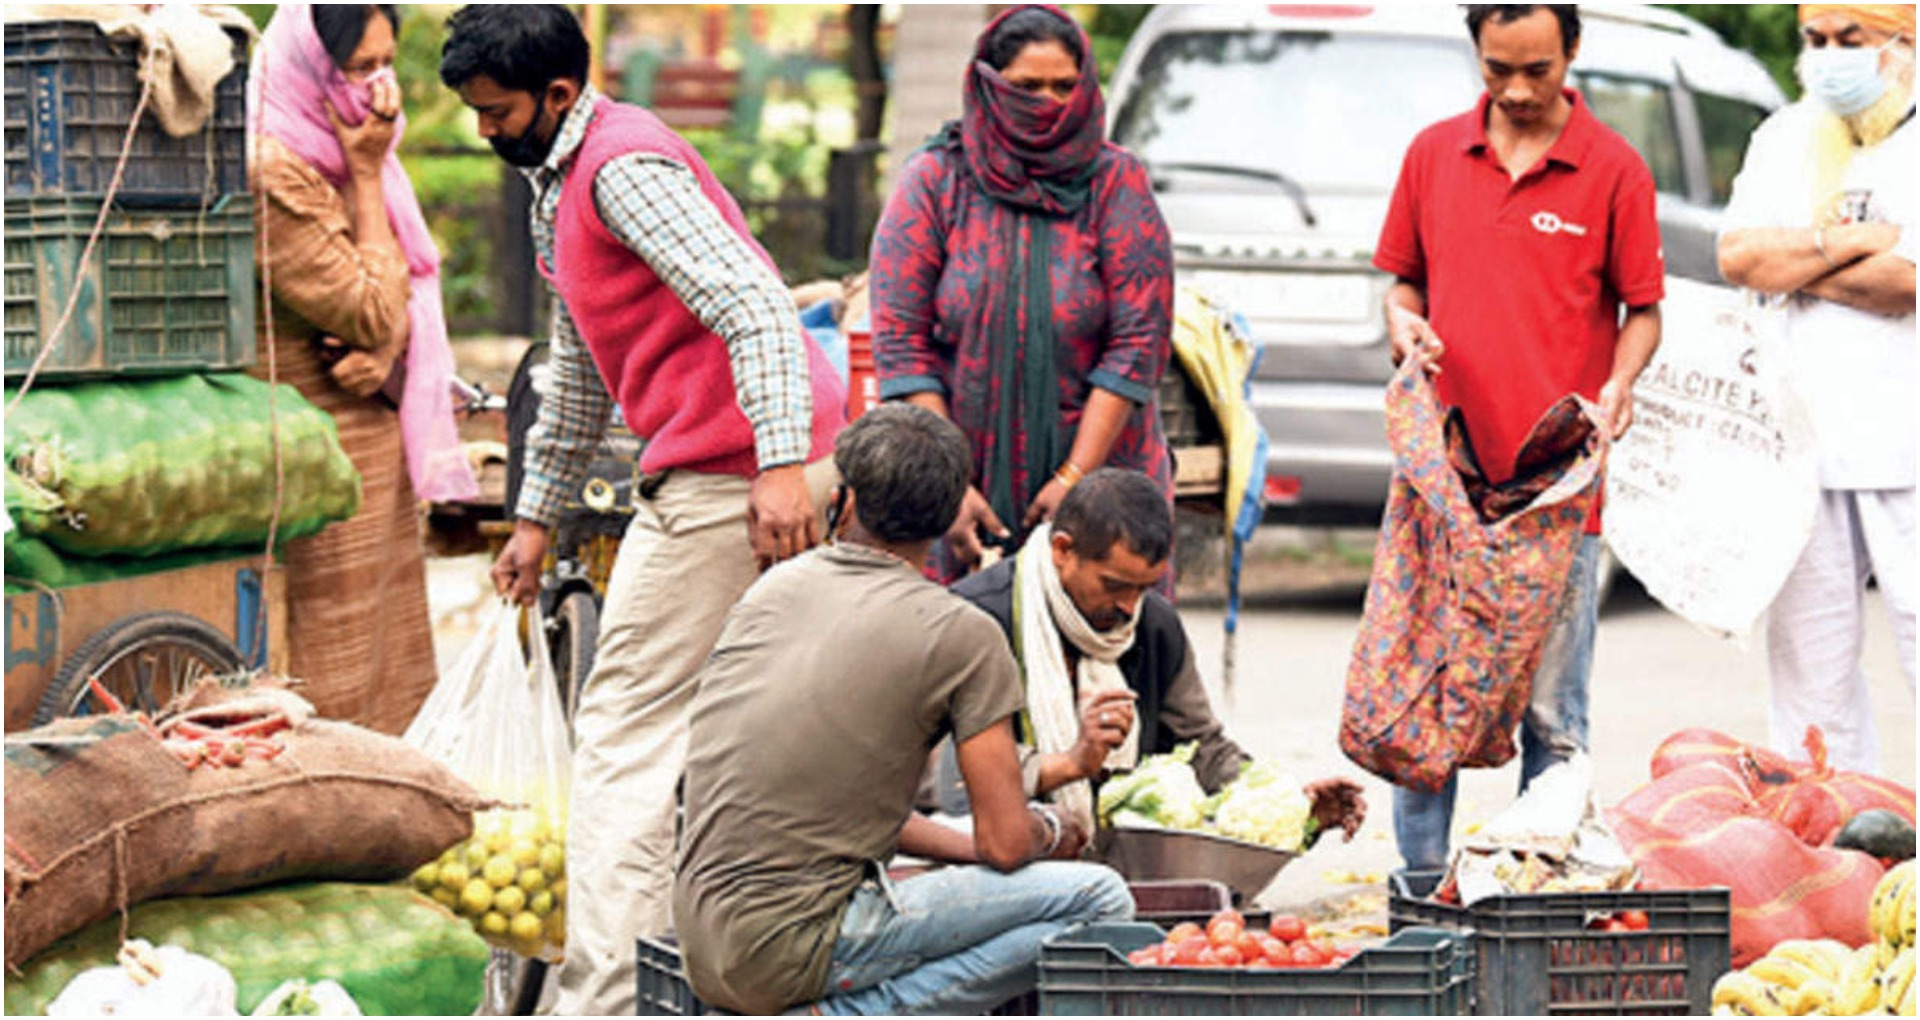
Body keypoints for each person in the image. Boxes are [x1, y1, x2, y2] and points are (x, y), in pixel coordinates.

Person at [438, 6, 846, 1013]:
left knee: (624, 734)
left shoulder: (619, 168)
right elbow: (578, 370)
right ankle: (683, 980)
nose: (484, 132)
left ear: (560, 96)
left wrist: (781, 465)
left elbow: (754, 301)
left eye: (496, 113)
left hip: (733, 469)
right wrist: (535, 519)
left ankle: (604, 1001)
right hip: (737, 458)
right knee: (712, 735)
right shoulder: (559, 185)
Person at [674, 404, 1134, 1016]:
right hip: (790, 948)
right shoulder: (959, 633)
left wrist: (963, 852)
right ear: (948, 521)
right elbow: (1004, 843)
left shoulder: (771, 589)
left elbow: (842, 810)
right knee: (1100, 898)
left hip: (700, 940)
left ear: (844, 501)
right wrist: (1051, 830)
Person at [1373, 4, 1665, 870]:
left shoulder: (1614, 168)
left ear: (1572, 52)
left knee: (1552, 715)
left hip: (1557, 492)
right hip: (1446, 480)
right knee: (1428, 702)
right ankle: (1423, 897)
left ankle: (1535, 895)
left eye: (1537, 68)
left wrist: (1620, 383)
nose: (1518, 88)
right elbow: (1401, 282)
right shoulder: (1433, 153)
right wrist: (1404, 327)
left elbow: (1643, 310)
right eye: (1498, 68)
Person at [869, 4, 1175, 586]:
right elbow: (902, 344)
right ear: (988, 86)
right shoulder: (935, 182)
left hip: (1102, 478)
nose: (1048, 105)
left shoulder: (1116, 182)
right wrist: (950, 486)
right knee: (960, 657)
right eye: (1026, 87)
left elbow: (1137, 341)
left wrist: (1074, 479)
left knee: (1101, 653)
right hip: (960, 484)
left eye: (1064, 86)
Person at [247, 4, 476, 734]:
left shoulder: (334, 149)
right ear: (309, 69)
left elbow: (391, 307)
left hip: (368, 444)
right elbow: (376, 307)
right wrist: (369, 177)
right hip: (314, 459)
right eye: (357, 69)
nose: (379, 92)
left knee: (387, 659)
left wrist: (384, 343)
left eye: (385, 66)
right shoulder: (276, 168)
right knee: (326, 669)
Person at [950, 468, 1367, 840]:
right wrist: (1071, 763)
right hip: (992, 847)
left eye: (1143, 589)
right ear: (1062, 551)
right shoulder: (976, 620)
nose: (1129, 607)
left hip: (1123, 850)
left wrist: (1288, 803)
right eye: (1114, 585)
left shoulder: (1154, 624)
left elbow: (1203, 747)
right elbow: (944, 781)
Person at [1717, 4, 1915, 776]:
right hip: (1800, 452)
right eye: (1815, 40)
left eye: (1849, 40)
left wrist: (1798, 260)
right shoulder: (1785, 138)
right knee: (1810, 684)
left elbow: (1906, 285)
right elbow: (1739, 258)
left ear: (1902, 44)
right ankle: (1837, 854)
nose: (1828, 56)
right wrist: (1846, 241)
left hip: (1909, 442)